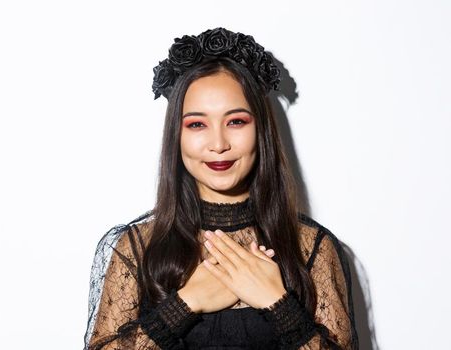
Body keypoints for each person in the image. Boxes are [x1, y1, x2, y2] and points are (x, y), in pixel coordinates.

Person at [83, 27, 358, 349]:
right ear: (177, 135)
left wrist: (279, 304)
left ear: (262, 130)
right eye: (197, 124)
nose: (218, 144)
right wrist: (183, 306)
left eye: (236, 121)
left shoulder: (310, 246)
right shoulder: (137, 246)